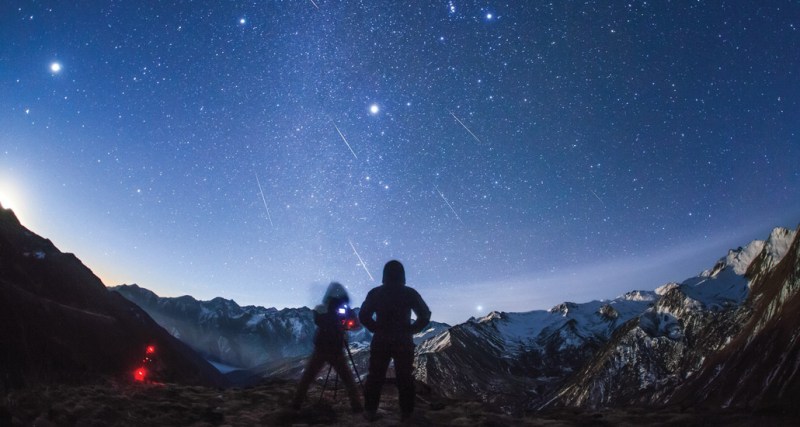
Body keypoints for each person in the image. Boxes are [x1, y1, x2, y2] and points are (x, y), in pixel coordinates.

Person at [359, 260, 431, 422]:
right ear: (402, 275)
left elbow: (363, 315)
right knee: (405, 377)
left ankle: (370, 411)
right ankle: (406, 413)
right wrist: (412, 330)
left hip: (381, 340)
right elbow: (425, 315)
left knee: (375, 376)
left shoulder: (375, 293)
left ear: (384, 275)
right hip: (403, 341)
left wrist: (375, 328)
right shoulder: (409, 293)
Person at [292, 282, 363, 413]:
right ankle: (357, 406)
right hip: (336, 350)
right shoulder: (341, 311)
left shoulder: (322, 309)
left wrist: (339, 319)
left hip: (321, 347)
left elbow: (318, 320)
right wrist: (345, 320)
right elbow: (355, 326)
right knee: (348, 379)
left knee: (308, 377)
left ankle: (296, 404)